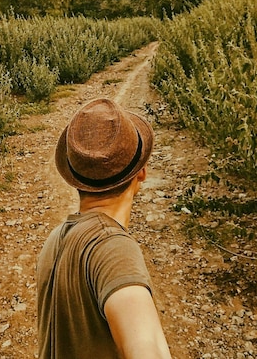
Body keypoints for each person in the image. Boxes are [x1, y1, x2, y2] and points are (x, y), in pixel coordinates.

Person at [37, 98, 172, 359]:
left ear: (76, 180)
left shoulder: (54, 241)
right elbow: (147, 348)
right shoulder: (114, 247)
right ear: (141, 173)